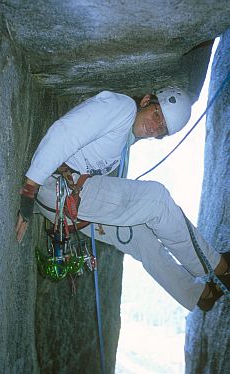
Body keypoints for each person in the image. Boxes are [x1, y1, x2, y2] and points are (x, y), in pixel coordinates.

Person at [15, 87, 230, 312]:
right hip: (55, 186)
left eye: (162, 129)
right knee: (157, 200)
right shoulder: (122, 107)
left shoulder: (123, 144)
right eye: (157, 114)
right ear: (146, 100)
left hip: (63, 200)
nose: (156, 127)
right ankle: (220, 267)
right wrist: (30, 189)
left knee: (141, 238)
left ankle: (199, 295)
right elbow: (65, 132)